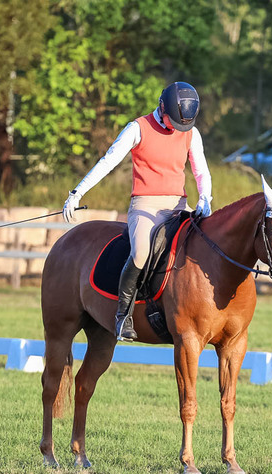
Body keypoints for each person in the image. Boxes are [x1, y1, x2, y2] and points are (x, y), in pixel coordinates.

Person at [63, 81, 213, 341]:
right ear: (162, 106)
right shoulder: (137, 129)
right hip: (145, 205)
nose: (177, 129)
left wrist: (205, 198)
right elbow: (107, 162)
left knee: (209, 240)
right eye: (174, 122)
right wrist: (77, 192)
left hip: (179, 204)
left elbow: (200, 170)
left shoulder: (191, 133)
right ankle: (123, 315)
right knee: (141, 252)